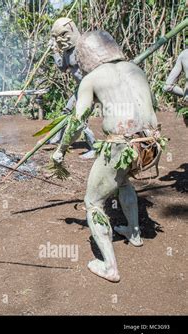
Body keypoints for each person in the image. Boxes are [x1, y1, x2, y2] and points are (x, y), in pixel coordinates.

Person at [52, 31, 165, 282]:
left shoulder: (91, 79)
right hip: (151, 144)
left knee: (93, 201)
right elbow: (152, 102)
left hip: (122, 145)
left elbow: (77, 121)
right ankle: (134, 233)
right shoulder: (136, 69)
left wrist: (60, 151)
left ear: (85, 56)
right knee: (122, 181)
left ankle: (110, 267)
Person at [49, 17, 96, 159]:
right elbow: (63, 67)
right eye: (57, 37)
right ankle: (60, 138)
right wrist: (54, 51)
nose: (60, 39)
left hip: (92, 88)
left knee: (81, 118)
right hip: (80, 89)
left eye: (63, 35)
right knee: (67, 111)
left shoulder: (84, 47)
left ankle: (94, 147)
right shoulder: (67, 51)